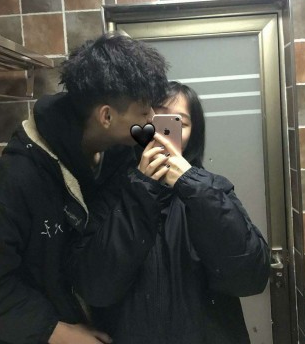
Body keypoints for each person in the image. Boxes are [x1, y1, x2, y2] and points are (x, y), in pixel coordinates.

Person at [0, 32, 169, 344]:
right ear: (107, 116)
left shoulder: (121, 154)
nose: (153, 118)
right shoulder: (18, 176)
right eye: (144, 111)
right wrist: (57, 331)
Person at [70, 81, 271, 344]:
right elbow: (95, 289)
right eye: (158, 119)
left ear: (192, 134)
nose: (165, 132)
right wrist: (142, 189)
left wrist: (192, 184)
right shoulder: (112, 192)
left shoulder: (213, 189)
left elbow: (249, 278)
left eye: (179, 123)